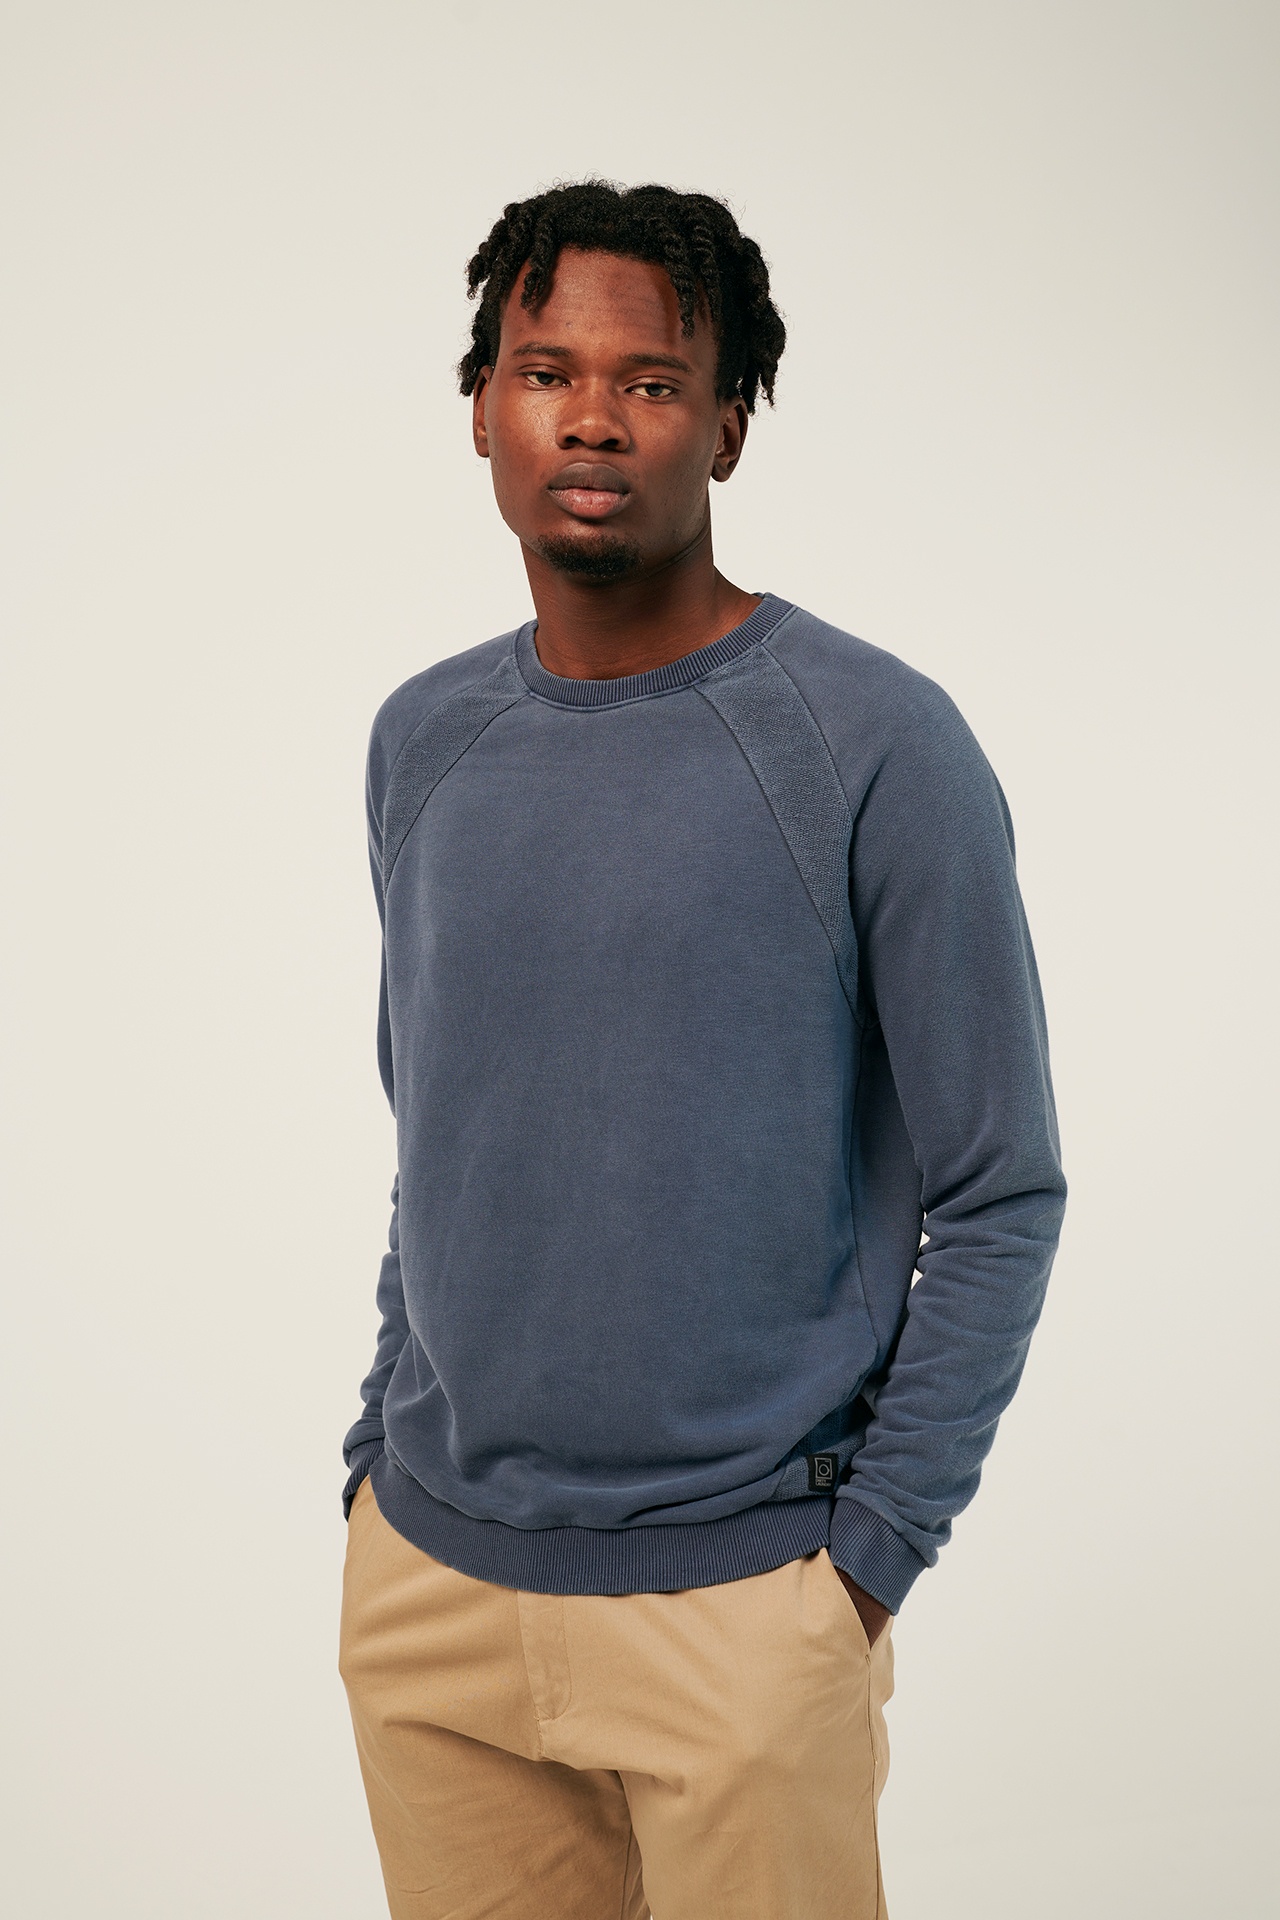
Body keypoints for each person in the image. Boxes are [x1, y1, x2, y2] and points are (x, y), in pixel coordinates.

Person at [337, 180, 1066, 1920]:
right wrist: (377, 1457)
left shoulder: (875, 743)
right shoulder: (421, 740)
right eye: (545, 371)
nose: (592, 417)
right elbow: (442, 1134)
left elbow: (999, 1190)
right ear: (483, 409)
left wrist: (862, 1567)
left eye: (651, 381)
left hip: (745, 1613)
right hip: (431, 1595)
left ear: (727, 427)